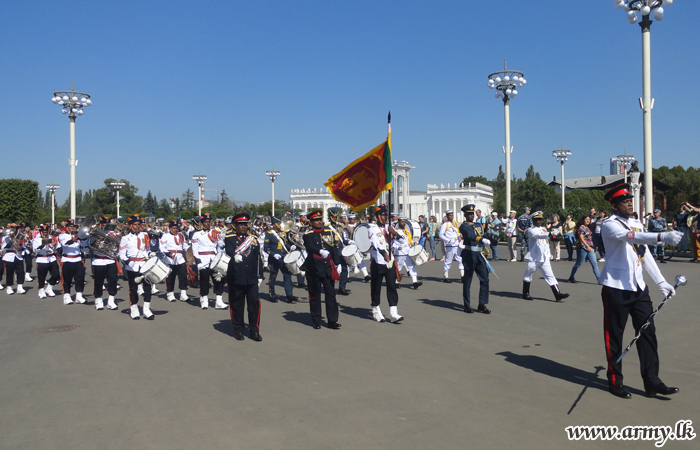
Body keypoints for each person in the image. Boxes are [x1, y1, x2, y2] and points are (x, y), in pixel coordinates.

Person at [598, 183, 683, 399]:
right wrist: (662, 236)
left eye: (630, 200)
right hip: (616, 288)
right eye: (624, 201)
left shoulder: (635, 223)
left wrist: (661, 282)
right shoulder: (609, 224)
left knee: (648, 334)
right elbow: (631, 238)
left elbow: (644, 253)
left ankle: (652, 381)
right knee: (614, 337)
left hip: (638, 289)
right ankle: (615, 381)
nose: (629, 203)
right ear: (614, 205)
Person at [224, 213, 264, 341]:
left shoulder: (253, 239)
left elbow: (259, 258)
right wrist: (234, 255)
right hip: (236, 277)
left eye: (245, 224)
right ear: (234, 226)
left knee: (254, 306)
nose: (243, 227)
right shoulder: (229, 238)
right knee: (237, 305)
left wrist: (260, 276)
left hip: (252, 277)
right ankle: (238, 330)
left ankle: (254, 330)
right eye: (240, 224)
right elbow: (229, 249)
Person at [302, 209, 342, 330]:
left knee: (330, 294)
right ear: (311, 222)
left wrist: (338, 263)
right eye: (316, 220)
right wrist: (319, 251)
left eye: (320, 219)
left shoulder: (329, 232)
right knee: (315, 295)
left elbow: (334, 248)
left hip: (327, 268)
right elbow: (309, 247)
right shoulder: (308, 235)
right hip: (314, 268)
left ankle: (332, 320)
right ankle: (316, 319)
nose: (319, 222)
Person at [521, 212, 569, 302]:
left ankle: (557, 294)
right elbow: (538, 236)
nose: (539, 221)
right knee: (528, 274)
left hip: (544, 257)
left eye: (540, 219)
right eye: (537, 220)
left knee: (550, 275)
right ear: (533, 220)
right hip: (534, 257)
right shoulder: (531, 230)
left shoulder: (543, 228)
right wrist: (550, 233)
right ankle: (525, 293)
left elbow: (546, 239)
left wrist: (556, 234)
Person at [367, 205, 404, 323]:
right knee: (376, 287)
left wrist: (395, 233)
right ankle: (376, 310)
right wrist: (383, 253)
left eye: (386, 215)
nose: (385, 217)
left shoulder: (390, 227)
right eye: (383, 215)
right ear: (377, 217)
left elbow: (403, 241)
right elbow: (376, 242)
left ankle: (393, 312)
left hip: (390, 262)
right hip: (378, 261)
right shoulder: (372, 228)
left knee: (392, 286)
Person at [119, 215, 156, 320]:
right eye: (135, 224)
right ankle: (134, 308)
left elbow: (148, 249)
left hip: (145, 265)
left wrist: (151, 254)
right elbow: (122, 255)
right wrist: (129, 263)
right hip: (133, 267)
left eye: (139, 224)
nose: (137, 226)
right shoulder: (125, 238)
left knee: (148, 287)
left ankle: (146, 309)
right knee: (133, 289)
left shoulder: (145, 235)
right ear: (130, 226)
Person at [459, 204, 491, 314]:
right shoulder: (464, 226)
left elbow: (482, 234)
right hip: (469, 254)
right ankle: (466, 305)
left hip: (479, 255)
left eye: (472, 214)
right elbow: (469, 236)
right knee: (468, 280)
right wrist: (481, 240)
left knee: (485, 279)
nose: (471, 216)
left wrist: (486, 242)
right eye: (469, 214)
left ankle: (482, 304)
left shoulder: (478, 224)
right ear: (465, 215)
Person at [192, 213, 227, 310]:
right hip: (203, 259)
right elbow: (195, 250)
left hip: (214, 258)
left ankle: (219, 301)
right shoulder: (197, 234)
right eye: (205, 222)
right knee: (204, 280)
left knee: (218, 279)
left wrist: (220, 240)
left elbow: (220, 246)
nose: (208, 224)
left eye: (209, 222)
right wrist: (198, 262)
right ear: (202, 223)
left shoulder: (215, 232)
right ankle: (204, 299)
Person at [264, 216, 297, 303]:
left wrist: (291, 247)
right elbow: (266, 248)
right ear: (274, 225)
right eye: (279, 224)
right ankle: (272, 295)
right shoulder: (270, 234)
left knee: (287, 276)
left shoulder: (283, 233)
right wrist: (273, 254)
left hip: (284, 258)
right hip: (274, 259)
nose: (280, 225)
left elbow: (285, 245)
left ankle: (289, 295)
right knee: (273, 277)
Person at [90, 216, 119, 310]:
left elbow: (116, 246)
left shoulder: (111, 234)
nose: (105, 226)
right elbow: (90, 245)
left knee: (113, 280)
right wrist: (99, 241)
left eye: (107, 224)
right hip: (98, 261)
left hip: (110, 259)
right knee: (99, 282)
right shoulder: (94, 234)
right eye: (103, 224)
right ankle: (98, 300)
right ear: (99, 224)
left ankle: (111, 300)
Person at [160, 219, 191, 302]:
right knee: (170, 277)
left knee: (183, 276)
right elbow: (162, 247)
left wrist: (191, 250)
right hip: (169, 259)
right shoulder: (165, 236)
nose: (175, 230)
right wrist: (167, 253)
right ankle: (170, 294)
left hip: (180, 258)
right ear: (170, 228)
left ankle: (183, 294)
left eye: (176, 228)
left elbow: (185, 245)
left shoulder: (181, 235)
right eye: (173, 228)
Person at [58, 219, 87, 305]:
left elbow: (84, 248)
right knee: (67, 279)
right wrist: (73, 239)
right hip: (67, 260)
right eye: (71, 227)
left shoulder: (78, 236)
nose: (73, 228)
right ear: (66, 227)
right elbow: (64, 244)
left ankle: (79, 295)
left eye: (74, 226)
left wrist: (83, 239)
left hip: (78, 259)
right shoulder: (62, 235)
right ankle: (67, 296)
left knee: (80, 278)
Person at [567, 216, 600, 283]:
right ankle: (571, 277)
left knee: (594, 264)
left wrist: (591, 247)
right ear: (583, 220)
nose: (588, 220)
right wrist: (587, 246)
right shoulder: (581, 228)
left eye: (589, 219)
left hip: (590, 248)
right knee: (578, 263)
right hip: (582, 248)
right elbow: (581, 238)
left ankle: (599, 280)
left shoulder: (587, 227)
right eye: (586, 219)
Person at [393, 216, 423, 289]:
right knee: (399, 268)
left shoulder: (407, 231)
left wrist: (413, 242)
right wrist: (397, 247)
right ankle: (395, 282)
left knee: (411, 267)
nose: (404, 223)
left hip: (407, 251)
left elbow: (408, 241)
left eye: (404, 222)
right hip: (400, 253)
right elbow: (393, 242)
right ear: (398, 222)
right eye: (402, 222)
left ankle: (415, 282)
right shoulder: (396, 232)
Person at [33, 223, 61, 299]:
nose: (45, 233)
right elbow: (35, 251)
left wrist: (56, 250)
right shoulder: (36, 240)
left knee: (56, 274)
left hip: (51, 258)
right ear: (40, 232)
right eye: (43, 232)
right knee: (42, 276)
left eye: (46, 232)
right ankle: (41, 290)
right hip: (42, 259)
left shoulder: (52, 238)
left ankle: (49, 287)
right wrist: (43, 244)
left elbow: (58, 246)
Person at [438, 210, 463, 282]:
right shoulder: (445, 225)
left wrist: (459, 235)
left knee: (460, 260)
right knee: (448, 261)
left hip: (457, 244)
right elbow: (441, 235)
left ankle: (462, 276)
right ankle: (446, 276)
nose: (451, 216)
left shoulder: (455, 223)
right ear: (447, 216)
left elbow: (457, 232)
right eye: (450, 215)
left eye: (452, 215)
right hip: (450, 245)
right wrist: (448, 240)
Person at [2, 224, 27, 295]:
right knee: (9, 272)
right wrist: (10, 241)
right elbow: (3, 248)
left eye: (15, 229)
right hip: (9, 257)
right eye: (12, 229)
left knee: (21, 271)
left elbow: (24, 246)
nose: (13, 231)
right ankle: (9, 287)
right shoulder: (6, 238)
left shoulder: (20, 236)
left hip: (18, 256)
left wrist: (21, 248)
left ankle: (20, 286)